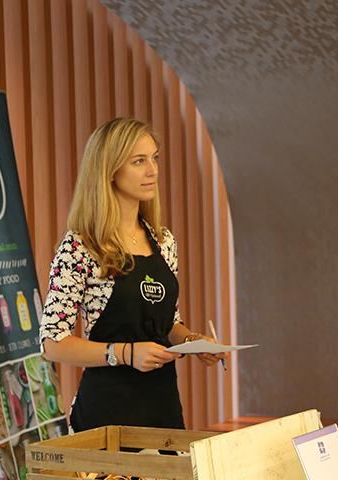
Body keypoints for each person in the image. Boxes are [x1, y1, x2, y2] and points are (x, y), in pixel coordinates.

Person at [39, 117, 225, 433]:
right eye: (139, 161)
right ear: (110, 170)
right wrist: (125, 353)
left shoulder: (164, 242)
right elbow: (52, 342)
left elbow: (167, 324)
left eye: (154, 158)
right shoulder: (81, 247)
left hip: (162, 411)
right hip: (105, 418)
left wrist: (194, 341)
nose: (153, 170)